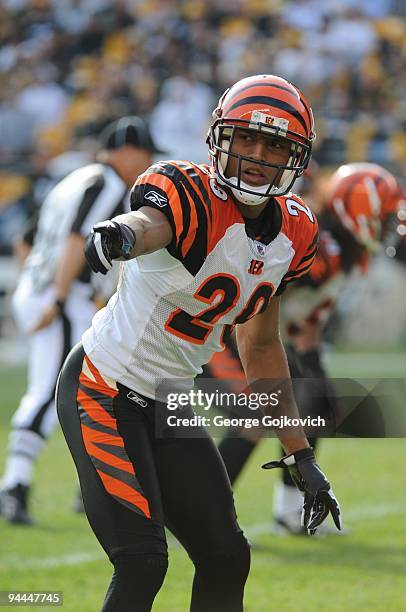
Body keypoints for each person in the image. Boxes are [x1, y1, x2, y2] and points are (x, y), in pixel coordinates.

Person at [56, 75, 341, 612]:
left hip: (169, 401)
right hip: (102, 389)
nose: (257, 155)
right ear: (219, 139)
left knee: (226, 556)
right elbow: (149, 224)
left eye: (275, 145)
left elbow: (259, 347)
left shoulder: (294, 234)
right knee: (143, 561)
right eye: (247, 139)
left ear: (296, 157)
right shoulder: (187, 193)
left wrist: (301, 454)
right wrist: (119, 234)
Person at [212, 162, 403, 534]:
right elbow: (259, 298)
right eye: (381, 216)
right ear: (357, 210)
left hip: (272, 340)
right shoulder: (321, 246)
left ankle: (292, 512)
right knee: (253, 420)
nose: (387, 225)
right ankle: (204, 516)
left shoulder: (350, 252)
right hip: (229, 336)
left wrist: (312, 368)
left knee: (312, 405)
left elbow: (308, 318)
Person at [0, 116, 162, 525]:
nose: (144, 165)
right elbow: (76, 239)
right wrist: (56, 295)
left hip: (43, 291)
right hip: (61, 296)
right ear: (126, 151)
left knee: (95, 389)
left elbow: (25, 240)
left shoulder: (72, 178)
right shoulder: (105, 183)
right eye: (143, 155)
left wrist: (32, 290)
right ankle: (13, 487)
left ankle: (91, 484)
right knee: (53, 390)